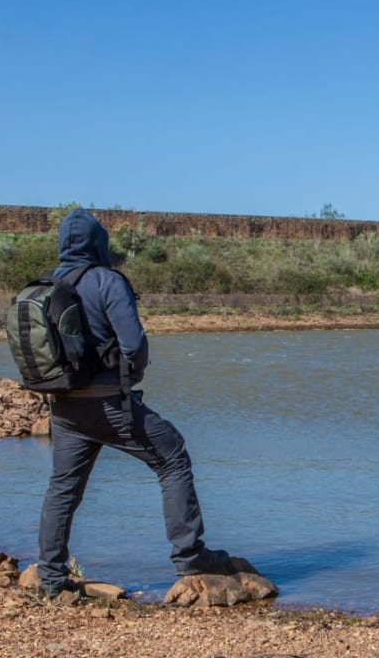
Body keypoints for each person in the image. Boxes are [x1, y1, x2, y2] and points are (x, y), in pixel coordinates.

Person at [36, 208, 233, 597]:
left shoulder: (47, 284)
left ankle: (51, 578)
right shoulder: (107, 281)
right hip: (111, 405)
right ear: (99, 243)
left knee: (62, 488)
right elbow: (134, 345)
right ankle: (190, 554)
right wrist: (130, 379)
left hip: (63, 408)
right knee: (172, 455)